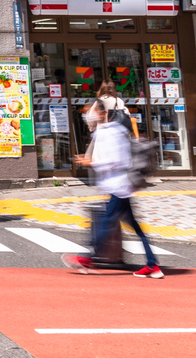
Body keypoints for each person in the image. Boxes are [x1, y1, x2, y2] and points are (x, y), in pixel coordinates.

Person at [65, 99, 162, 277]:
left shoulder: (109, 133)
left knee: (107, 223)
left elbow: (116, 160)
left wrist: (91, 162)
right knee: (134, 226)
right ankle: (152, 264)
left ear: (102, 113)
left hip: (118, 185)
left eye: (91, 111)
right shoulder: (110, 131)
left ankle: (89, 259)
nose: (88, 115)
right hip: (119, 186)